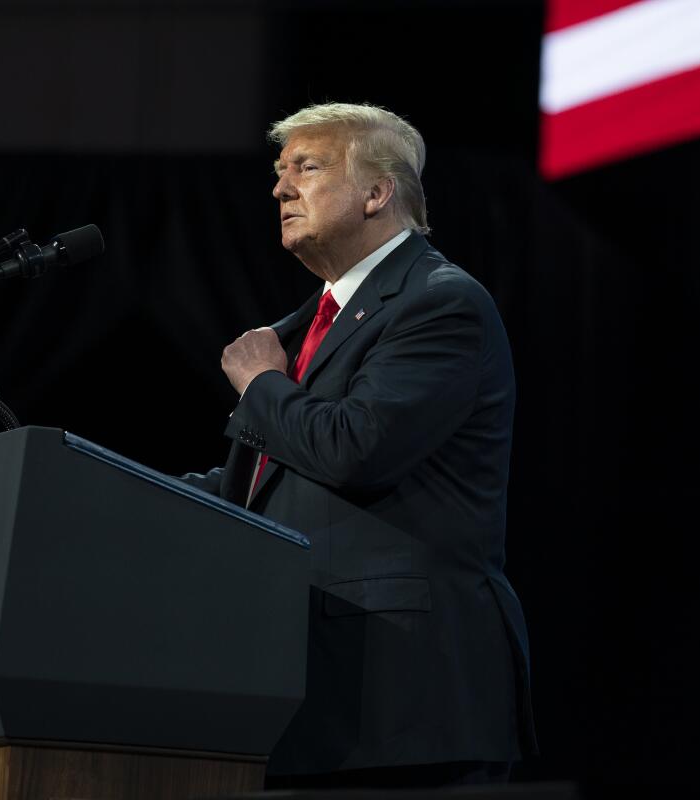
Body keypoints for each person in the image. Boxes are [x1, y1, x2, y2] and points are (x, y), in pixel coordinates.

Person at [183, 102, 537, 787]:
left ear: (377, 193)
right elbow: (263, 486)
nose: (280, 189)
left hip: (402, 702)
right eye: (280, 173)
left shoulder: (439, 303)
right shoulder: (311, 324)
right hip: (307, 700)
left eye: (306, 168)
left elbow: (355, 448)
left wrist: (260, 384)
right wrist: (110, 488)